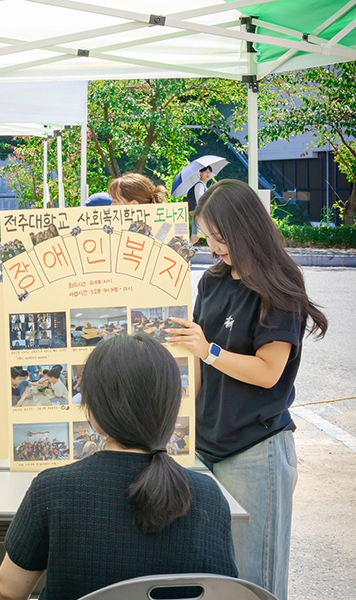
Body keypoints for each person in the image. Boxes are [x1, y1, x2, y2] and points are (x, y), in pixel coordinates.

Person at [166, 179, 328, 600]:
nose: (213, 247)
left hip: (256, 450)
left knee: (255, 581)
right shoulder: (212, 280)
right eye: (207, 237)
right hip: (205, 446)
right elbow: (195, 362)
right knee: (208, 575)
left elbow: (268, 372)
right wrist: (176, 426)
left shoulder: (278, 283)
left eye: (220, 237)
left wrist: (209, 350)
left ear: (244, 228)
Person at [0, 335, 237, 600]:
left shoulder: (52, 489)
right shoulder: (209, 496)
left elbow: (7, 592)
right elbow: (225, 591)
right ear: (172, 405)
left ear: (94, 410)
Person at [186, 165, 212, 244]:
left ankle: (186, 248)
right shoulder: (200, 185)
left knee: (197, 235)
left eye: (209, 172)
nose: (208, 174)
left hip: (199, 213)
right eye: (205, 172)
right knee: (196, 235)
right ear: (200, 173)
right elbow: (200, 200)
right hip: (199, 213)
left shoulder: (203, 185)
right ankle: (185, 248)